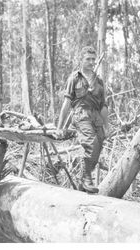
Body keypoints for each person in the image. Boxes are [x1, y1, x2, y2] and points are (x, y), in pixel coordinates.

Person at [57, 46, 109, 193]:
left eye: (93, 59)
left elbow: (104, 106)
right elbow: (67, 103)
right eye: (88, 59)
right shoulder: (74, 78)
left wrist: (107, 126)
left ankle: (82, 181)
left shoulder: (99, 81)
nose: (91, 62)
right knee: (91, 143)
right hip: (81, 114)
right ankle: (86, 179)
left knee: (99, 143)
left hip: (96, 116)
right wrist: (60, 127)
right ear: (81, 60)